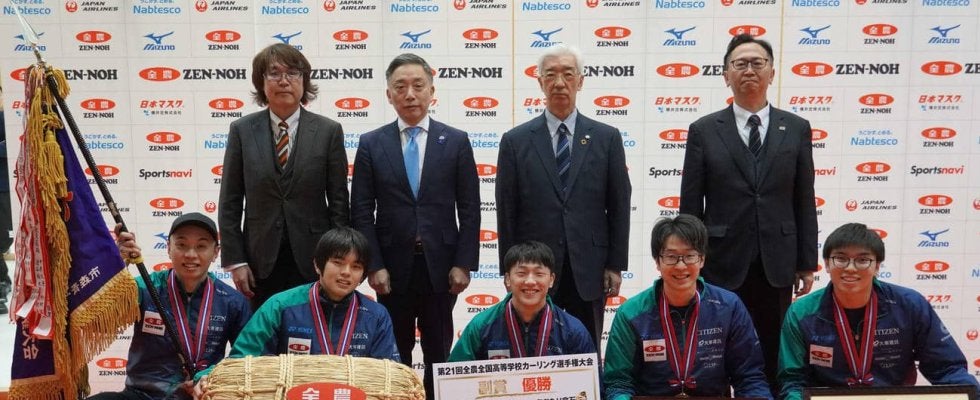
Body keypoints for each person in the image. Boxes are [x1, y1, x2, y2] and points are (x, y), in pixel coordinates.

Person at [679, 33, 817, 385]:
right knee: (717, 350)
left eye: (758, 63)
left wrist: (806, 262)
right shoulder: (704, 130)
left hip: (777, 260)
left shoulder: (796, 128)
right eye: (740, 64)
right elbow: (690, 206)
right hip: (722, 260)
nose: (749, 70)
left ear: (772, 73)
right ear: (726, 75)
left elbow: (804, 199)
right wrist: (688, 259)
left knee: (772, 351)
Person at [350, 53, 480, 400]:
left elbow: (470, 209)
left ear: (431, 91)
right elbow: (361, 211)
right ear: (388, 94)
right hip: (391, 269)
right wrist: (373, 265)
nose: (410, 94)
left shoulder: (455, 141)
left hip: (442, 267)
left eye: (418, 85)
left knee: (439, 350)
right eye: (400, 87)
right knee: (395, 351)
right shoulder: (371, 143)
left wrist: (463, 263)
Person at [495, 44, 631, 350]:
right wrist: (510, 268)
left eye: (568, 74)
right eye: (551, 75)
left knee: (587, 350)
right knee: (533, 348)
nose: (559, 82)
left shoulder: (606, 137)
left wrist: (615, 265)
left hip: (590, 267)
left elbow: (619, 206)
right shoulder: (516, 141)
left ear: (580, 81)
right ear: (540, 82)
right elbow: (506, 210)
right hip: (535, 268)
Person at [778, 223, 980, 400]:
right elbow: (793, 380)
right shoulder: (801, 313)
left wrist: (970, 394)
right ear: (827, 265)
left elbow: (947, 368)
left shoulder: (910, 305)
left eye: (862, 260)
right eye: (840, 259)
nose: (850, 268)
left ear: (877, 266)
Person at [219, 43, 350, 310]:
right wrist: (236, 261)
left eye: (292, 73)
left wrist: (338, 259)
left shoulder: (328, 131)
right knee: (264, 331)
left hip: (315, 258)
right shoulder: (242, 131)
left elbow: (339, 202)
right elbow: (230, 201)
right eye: (274, 73)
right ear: (261, 81)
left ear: (304, 80)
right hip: (259, 261)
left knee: (314, 330)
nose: (284, 81)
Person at [603, 214, 770, 399]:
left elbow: (750, 378)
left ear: (702, 259)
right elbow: (618, 383)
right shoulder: (631, 313)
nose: (681, 266)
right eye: (671, 257)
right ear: (657, 261)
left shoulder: (729, 307)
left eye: (690, 256)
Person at [88, 213, 252, 400]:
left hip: (202, 395)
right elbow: (97, 320)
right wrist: (115, 266)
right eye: (181, 245)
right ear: (168, 248)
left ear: (216, 252)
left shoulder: (232, 301)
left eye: (201, 246)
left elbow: (247, 357)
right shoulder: (144, 288)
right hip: (143, 395)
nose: (190, 254)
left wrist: (211, 376)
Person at [202, 227, 399, 366]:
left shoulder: (376, 315)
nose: (346, 272)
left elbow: (388, 374)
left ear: (363, 275)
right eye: (338, 263)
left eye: (356, 267)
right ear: (317, 265)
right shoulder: (279, 306)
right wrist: (206, 376)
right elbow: (242, 360)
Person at [448, 241, 595, 361]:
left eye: (539, 274)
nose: (530, 281)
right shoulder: (482, 325)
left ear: (551, 280)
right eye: (521, 273)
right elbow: (454, 378)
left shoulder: (572, 330)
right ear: (507, 279)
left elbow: (591, 382)